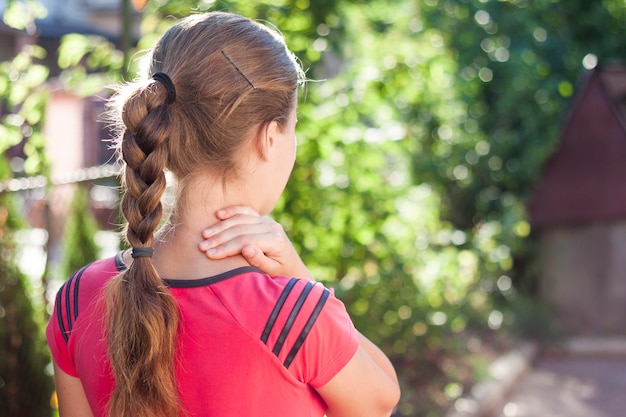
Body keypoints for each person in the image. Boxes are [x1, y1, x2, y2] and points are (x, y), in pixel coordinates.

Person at [46, 11, 400, 417]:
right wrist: (300, 278)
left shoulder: (76, 300)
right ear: (269, 139)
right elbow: (383, 397)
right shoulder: (291, 316)